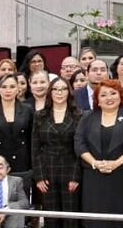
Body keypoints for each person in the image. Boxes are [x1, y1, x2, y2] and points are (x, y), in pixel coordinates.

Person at [75, 80, 123, 228]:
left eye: (113, 93)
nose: (109, 98)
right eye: (103, 95)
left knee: (119, 221)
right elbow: (79, 143)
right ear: (98, 100)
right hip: (93, 177)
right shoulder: (87, 117)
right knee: (94, 221)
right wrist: (94, 163)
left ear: (121, 96)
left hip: (121, 176)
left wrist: (116, 163)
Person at [30, 77, 81, 228]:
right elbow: (35, 147)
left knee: (70, 217)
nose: (59, 93)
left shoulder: (79, 115)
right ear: (50, 92)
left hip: (70, 169)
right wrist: (39, 176)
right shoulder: (40, 115)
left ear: (69, 92)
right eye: (56, 89)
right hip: (47, 171)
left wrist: (76, 176)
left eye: (63, 89)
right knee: (51, 217)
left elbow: (80, 149)